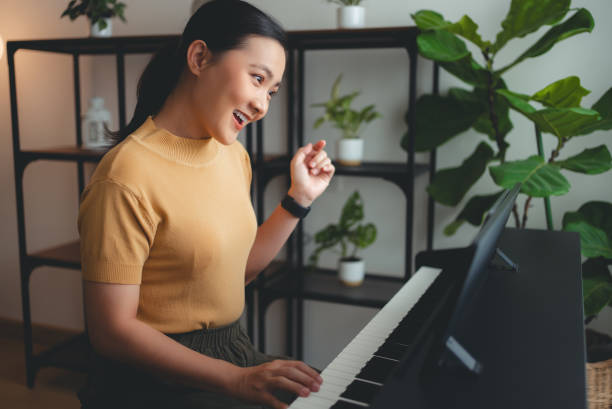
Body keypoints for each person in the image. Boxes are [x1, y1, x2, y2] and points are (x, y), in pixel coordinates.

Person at [76, 1, 334, 408]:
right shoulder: (123, 177)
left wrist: (299, 198)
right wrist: (234, 380)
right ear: (199, 58)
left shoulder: (232, 155)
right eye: (257, 79)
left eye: (271, 91)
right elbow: (111, 331)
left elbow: (236, 272)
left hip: (232, 352)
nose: (262, 104)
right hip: (153, 379)